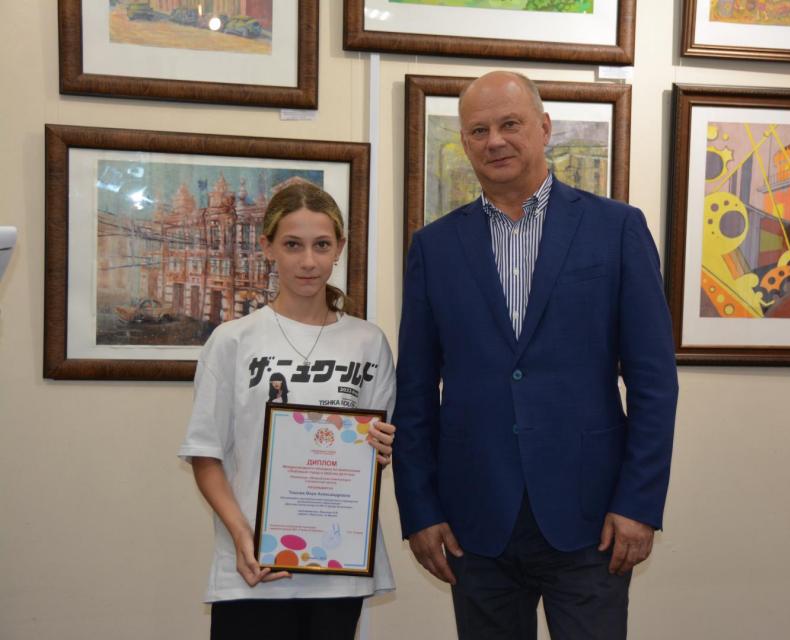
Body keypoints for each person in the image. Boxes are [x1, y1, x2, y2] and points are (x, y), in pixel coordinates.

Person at [392, 71, 678, 640]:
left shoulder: (616, 228)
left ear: (544, 127)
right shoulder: (434, 247)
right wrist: (420, 509)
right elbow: (416, 391)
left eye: (510, 124)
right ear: (464, 142)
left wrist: (639, 503)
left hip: (593, 517)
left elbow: (654, 383)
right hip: (476, 519)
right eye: (479, 130)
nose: (495, 140)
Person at [178, 181, 397, 640]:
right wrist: (242, 535)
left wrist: (380, 447)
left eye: (322, 245)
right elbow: (205, 454)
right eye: (293, 245)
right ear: (268, 247)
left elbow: (371, 452)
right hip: (254, 567)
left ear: (339, 249)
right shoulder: (233, 340)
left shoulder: (368, 342)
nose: (308, 261)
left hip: (338, 567)